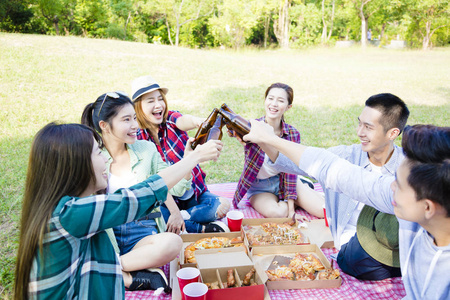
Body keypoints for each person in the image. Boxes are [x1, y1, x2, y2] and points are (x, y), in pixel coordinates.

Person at [243, 121, 450, 299]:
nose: (390, 187)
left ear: (428, 207)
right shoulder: (416, 209)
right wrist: (270, 139)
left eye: (399, 184)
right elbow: (337, 171)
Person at [14, 122, 222, 299]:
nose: (105, 158)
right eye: (98, 152)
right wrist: (193, 159)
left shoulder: (62, 208)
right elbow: (138, 196)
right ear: (76, 164)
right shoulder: (70, 214)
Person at [81, 91, 198, 290]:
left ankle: (113, 269)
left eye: (134, 117)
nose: (135, 125)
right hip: (107, 235)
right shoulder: (93, 156)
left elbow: (176, 188)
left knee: (173, 243)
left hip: (143, 231)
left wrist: (188, 160)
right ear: (104, 126)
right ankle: (130, 273)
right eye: (126, 119)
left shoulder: (146, 149)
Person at [321, 93, 408, 280]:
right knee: (356, 258)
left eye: (368, 127)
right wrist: (266, 141)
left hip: (393, 246)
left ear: (392, 133)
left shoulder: (408, 168)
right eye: (359, 123)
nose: (360, 132)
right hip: (353, 244)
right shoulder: (346, 157)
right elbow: (304, 160)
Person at [132, 75, 230, 233]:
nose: (158, 105)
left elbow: (184, 120)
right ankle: (198, 227)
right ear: (138, 107)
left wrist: (198, 121)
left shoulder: (170, 119)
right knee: (153, 217)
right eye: (150, 101)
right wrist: (173, 211)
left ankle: (184, 219)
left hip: (194, 194)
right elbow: (154, 183)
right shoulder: (138, 139)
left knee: (222, 206)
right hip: (167, 201)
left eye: (160, 99)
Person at [232, 82, 324, 218]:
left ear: (288, 107)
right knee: (278, 213)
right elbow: (232, 125)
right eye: (270, 98)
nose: (274, 104)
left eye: (280, 101)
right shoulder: (253, 127)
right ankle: (300, 194)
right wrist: (232, 131)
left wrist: (292, 212)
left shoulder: (292, 134)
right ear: (265, 100)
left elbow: (290, 172)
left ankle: (298, 192)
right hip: (260, 187)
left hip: (284, 181)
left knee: (322, 211)